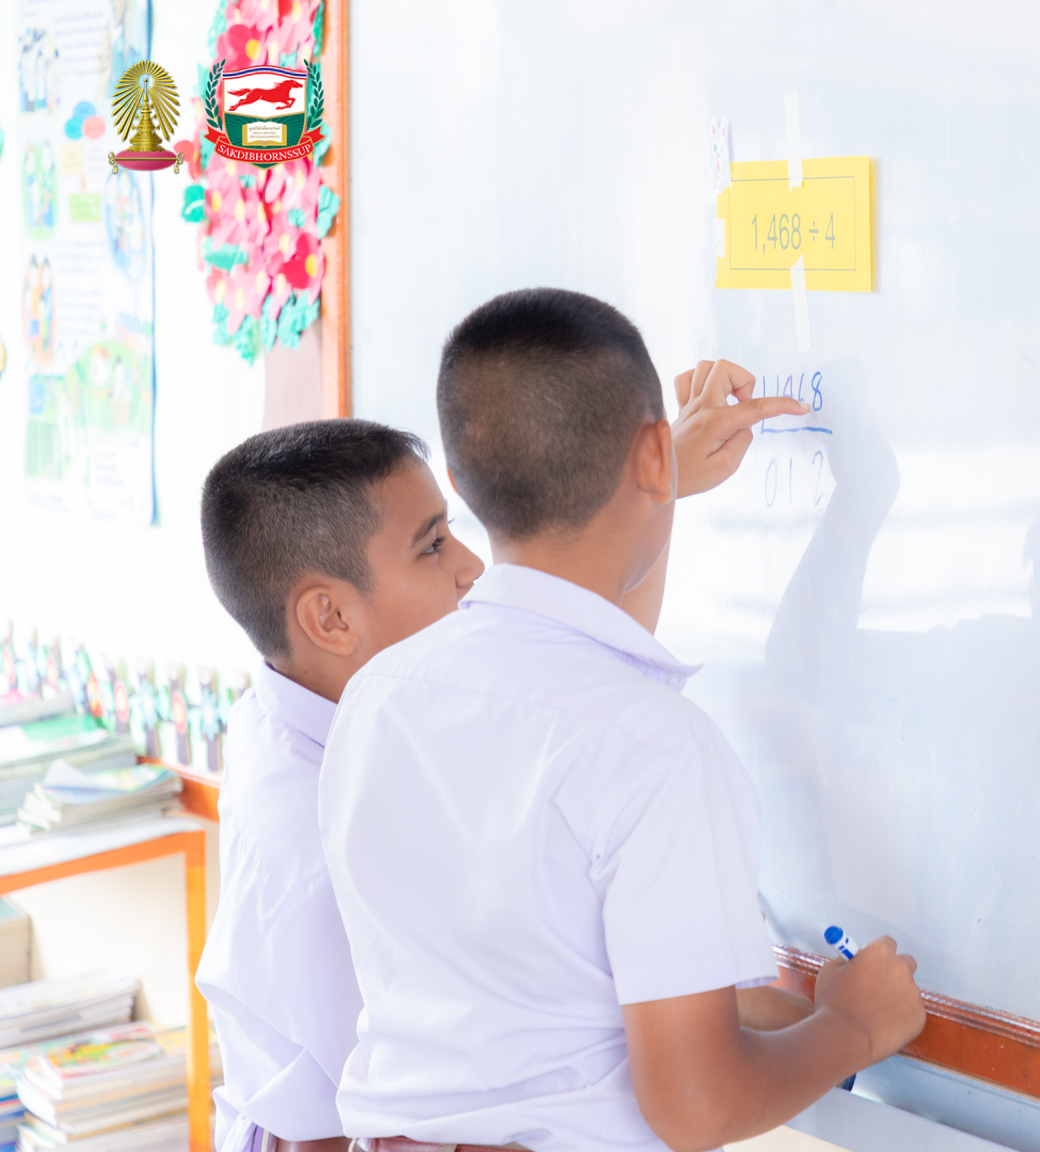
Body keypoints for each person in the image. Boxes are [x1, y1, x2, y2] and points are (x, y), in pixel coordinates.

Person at [319, 288, 926, 1152]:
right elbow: (698, 1106)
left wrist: (659, 484)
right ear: (651, 452)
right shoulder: (654, 747)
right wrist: (854, 1027)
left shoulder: (380, 692)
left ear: (459, 481)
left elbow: (579, 652)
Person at [195, 419, 486, 1152]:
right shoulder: (326, 866)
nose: (473, 567)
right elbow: (403, 1122)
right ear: (327, 618)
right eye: (433, 546)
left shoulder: (301, 694)